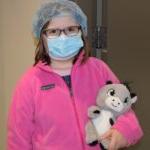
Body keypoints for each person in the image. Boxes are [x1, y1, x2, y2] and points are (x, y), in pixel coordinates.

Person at [7, 0, 143, 150]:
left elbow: (124, 108)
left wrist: (123, 131)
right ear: (41, 38)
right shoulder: (30, 83)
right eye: (53, 31)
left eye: (71, 29)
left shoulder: (99, 69)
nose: (63, 37)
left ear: (81, 31)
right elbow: (18, 139)